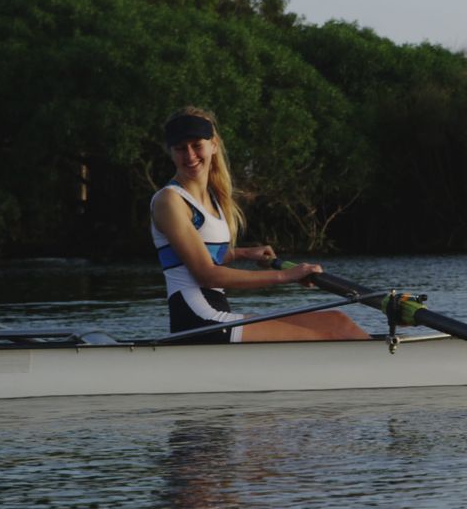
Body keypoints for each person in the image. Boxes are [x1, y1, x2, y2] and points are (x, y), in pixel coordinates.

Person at [150, 106, 369, 342]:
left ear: (213, 145)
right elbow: (206, 274)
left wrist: (241, 253)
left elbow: (198, 255)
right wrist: (288, 276)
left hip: (215, 317)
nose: (190, 155)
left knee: (337, 321)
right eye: (181, 148)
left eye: (196, 145)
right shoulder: (169, 200)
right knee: (333, 333)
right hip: (199, 323)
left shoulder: (213, 198)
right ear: (170, 152)